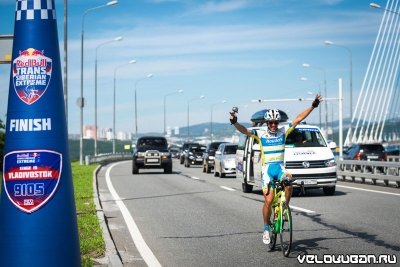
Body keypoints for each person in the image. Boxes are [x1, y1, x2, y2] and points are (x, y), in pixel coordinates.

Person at [229, 95, 322, 245]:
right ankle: (266, 228)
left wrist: (313, 105)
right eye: (271, 122)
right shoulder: (260, 133)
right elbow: (244, 130)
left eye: (275, 122)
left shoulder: (283, 131)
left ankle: (285, 207)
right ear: (267, 123)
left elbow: (298, 118)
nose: (273, 125)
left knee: (290, 180)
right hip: (267, 171)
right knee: (269, 200)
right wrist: (234, 122)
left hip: (280, 168)